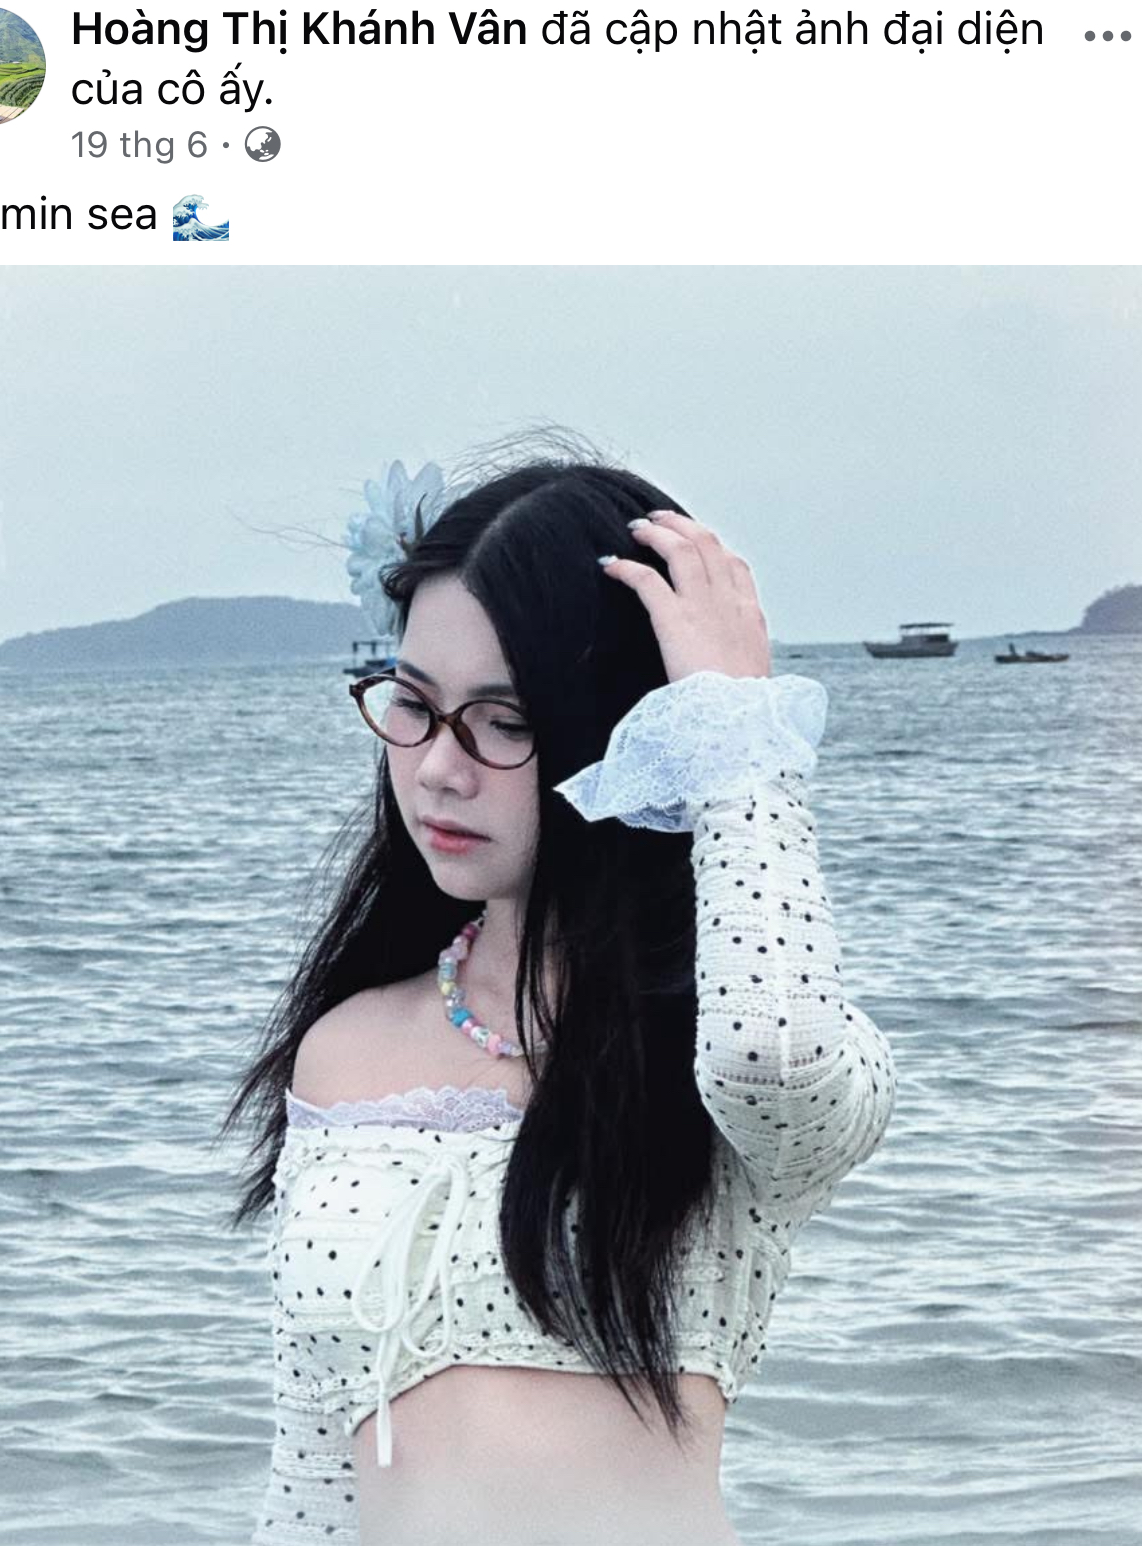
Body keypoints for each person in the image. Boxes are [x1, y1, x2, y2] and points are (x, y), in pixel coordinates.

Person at [222, 450, 897, 1546]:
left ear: (628, 726)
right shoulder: (344, 1048)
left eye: (505, 720)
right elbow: (311, 1477)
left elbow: (773, 1054)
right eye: (414, 704)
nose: (439, 769)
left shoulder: (726, 1044)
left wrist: (736, 732)